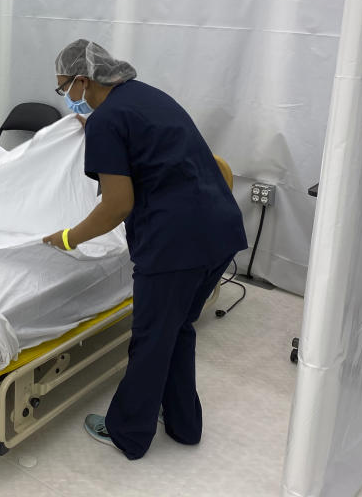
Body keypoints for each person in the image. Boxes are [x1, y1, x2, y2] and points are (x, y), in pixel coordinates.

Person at [42, 39, 247, 460]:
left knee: (152, 339)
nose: (68, 99)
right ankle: (184, 424)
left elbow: (118, 204)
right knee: (177, 329)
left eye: (66, 89)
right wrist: (96, 126)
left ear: (84, 79)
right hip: (219, 229)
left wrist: (69, 238)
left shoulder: (107, 122)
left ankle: (128, 433)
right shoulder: (142, 97)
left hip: (175, 244)